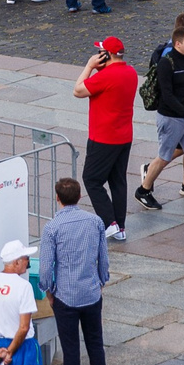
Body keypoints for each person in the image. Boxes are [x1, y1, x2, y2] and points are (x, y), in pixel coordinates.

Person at [40, 178, 110, 365]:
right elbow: (103, 257)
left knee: (71, 351)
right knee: (96, 346)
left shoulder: (52, 228)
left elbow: (46, 269)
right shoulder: (95, 221)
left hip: (66, 297)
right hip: (91, 293)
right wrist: (101, 281)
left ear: (57, 198)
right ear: (80, 197)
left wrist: (48, 291)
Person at [133, 18, 184, 213]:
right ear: (178, 44)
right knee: (164, 157)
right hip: (170, 118)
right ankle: (143, 190)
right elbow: (167, 96)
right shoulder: (166, 64)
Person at [75, 36, 138, 239]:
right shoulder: (131, 72)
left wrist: (89, 66)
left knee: (91, 179)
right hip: (124, 136)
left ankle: (109, 222)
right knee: (118, 181)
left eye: (100, 52)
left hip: (103, 137)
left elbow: (78, 90)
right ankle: (120, 226)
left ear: (107, 55)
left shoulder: (105, 76)